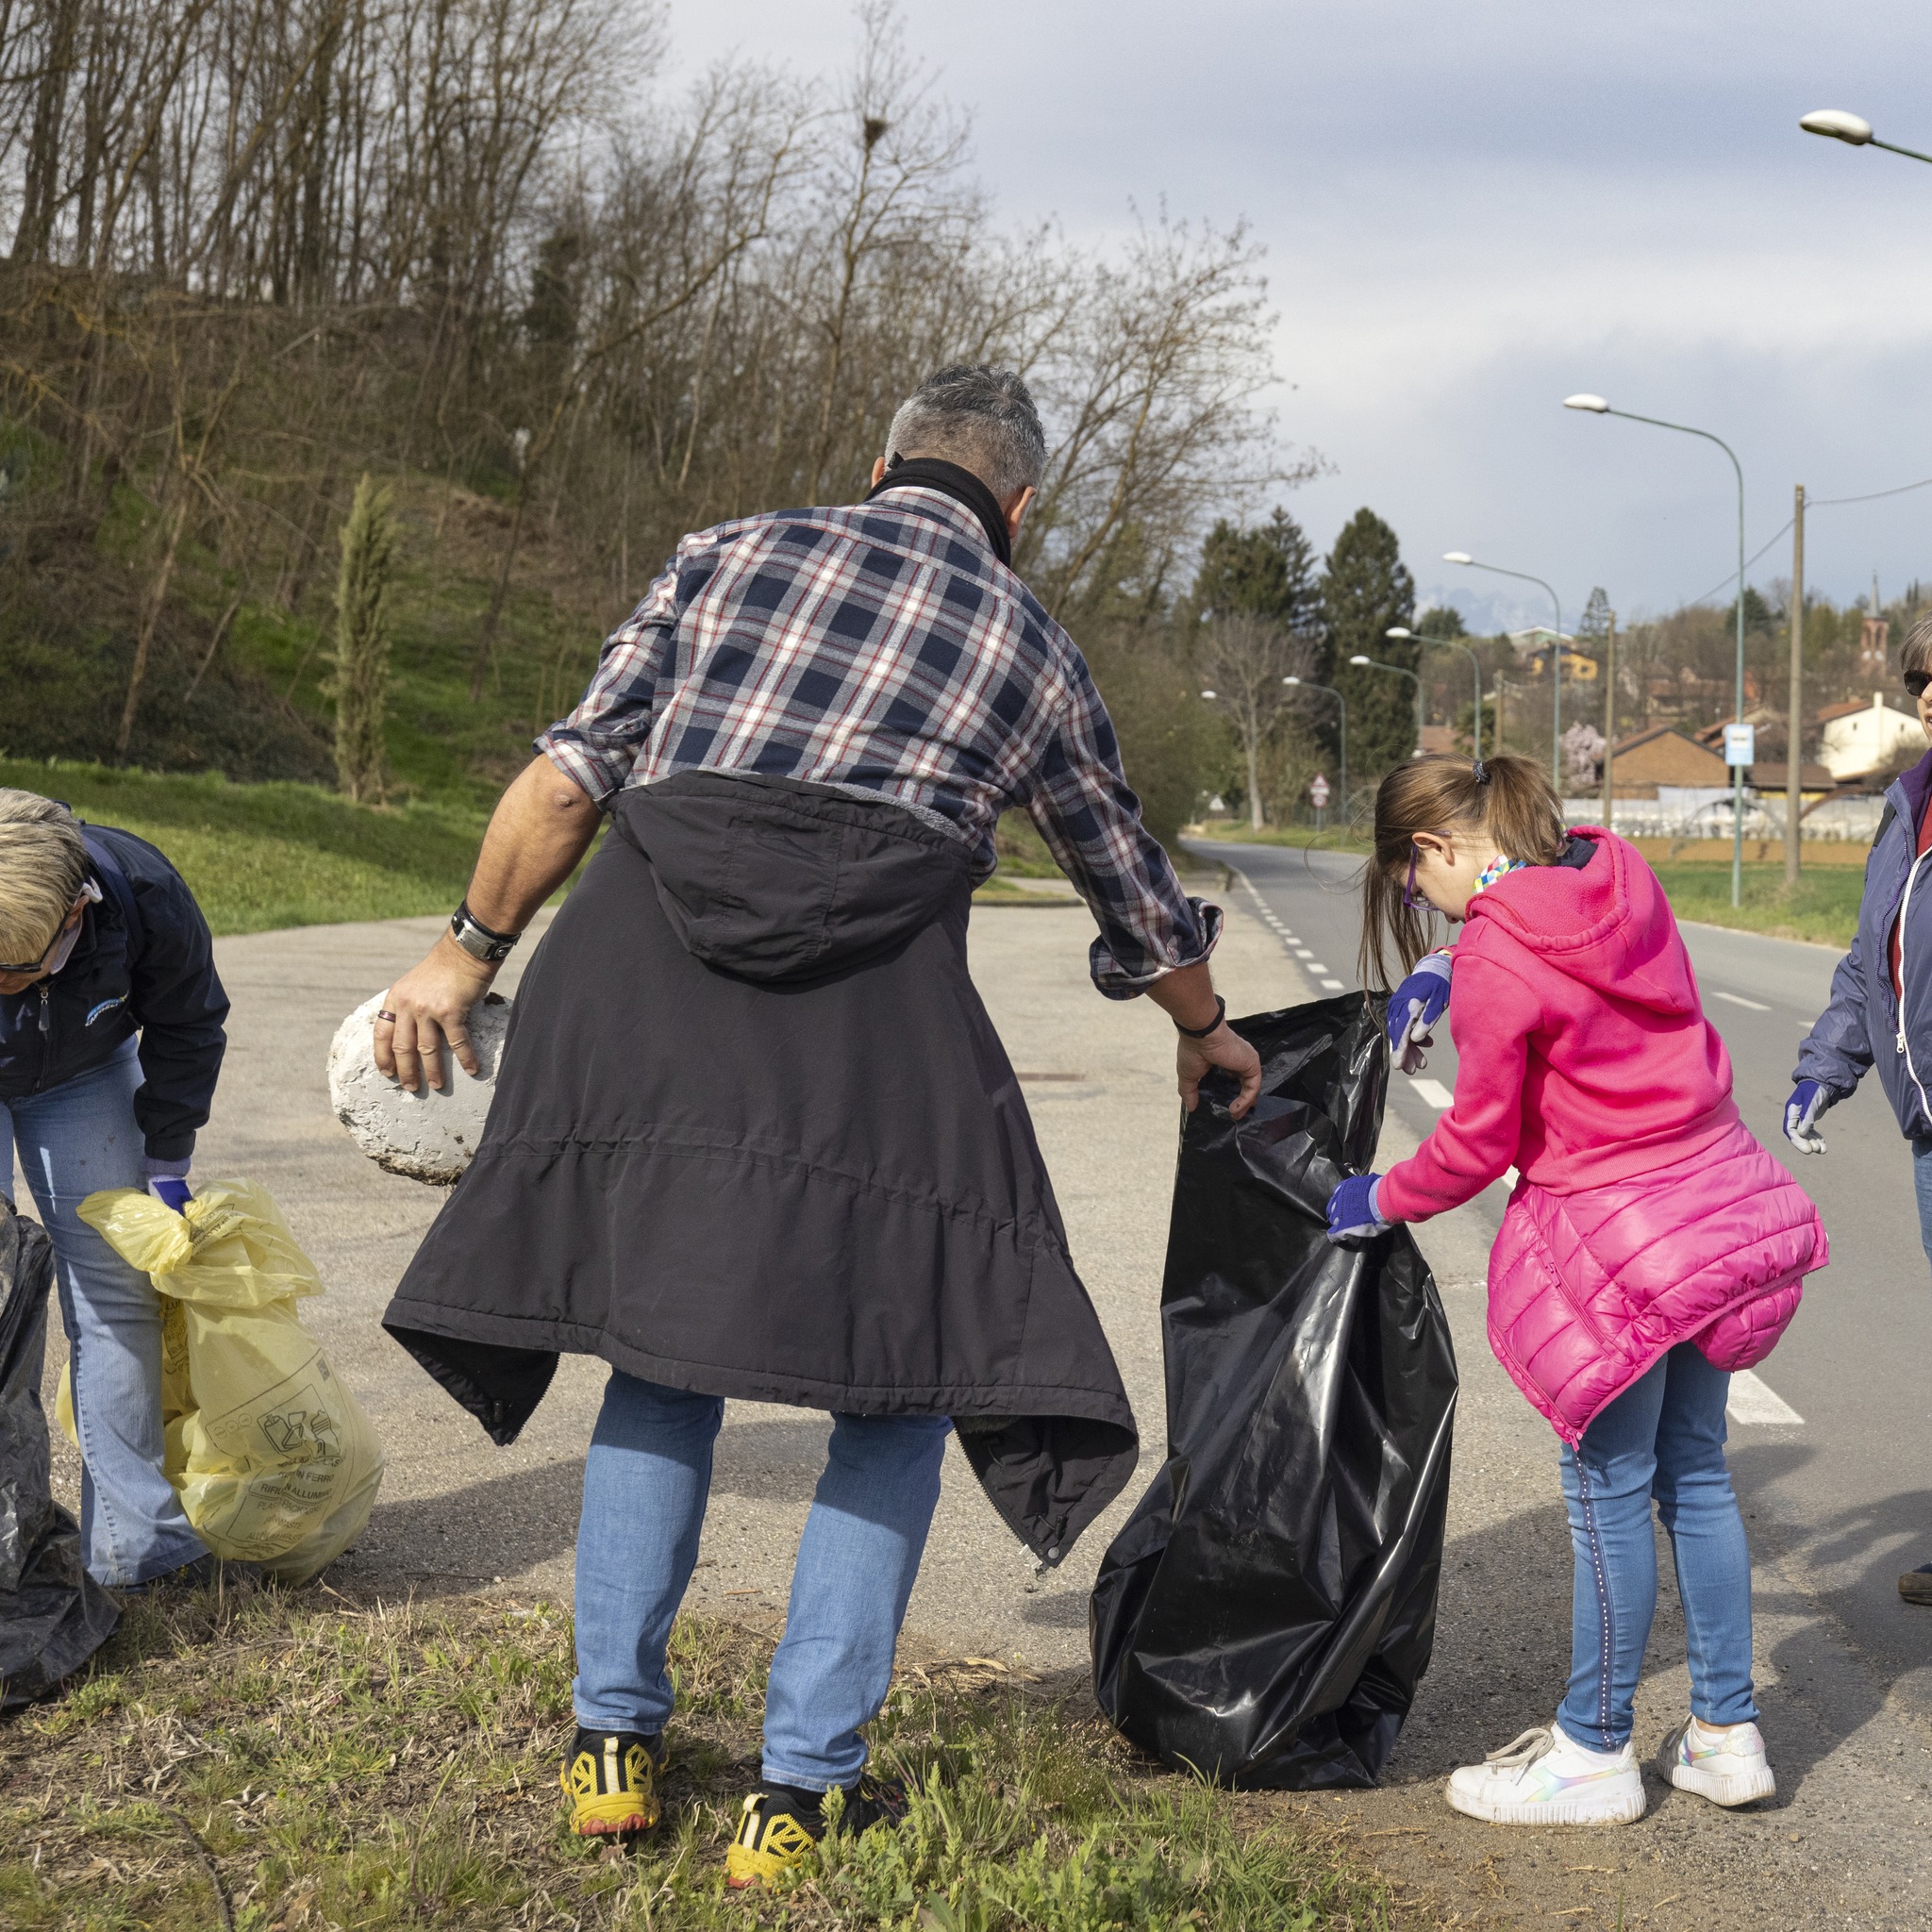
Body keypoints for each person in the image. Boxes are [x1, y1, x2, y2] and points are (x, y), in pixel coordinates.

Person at [372, 365, 1261, 1883]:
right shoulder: (1028, 638)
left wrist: (465, 948)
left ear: (882, 464)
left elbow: (571, 776)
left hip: (643, 993)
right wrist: (1203, 1027)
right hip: (872, 1024)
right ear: (1021, 510)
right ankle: (799, 1792)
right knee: (902, 1373)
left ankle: (611, 1748)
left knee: (657, 1356)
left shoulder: (724, 553)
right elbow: (1124, 874)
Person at [1325, 754, 1824, 1826]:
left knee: (1604, 1493)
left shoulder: (1500, 948)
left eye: (1417, 890)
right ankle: (1724, 1736)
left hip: (1617, 1242)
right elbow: (1558, 932)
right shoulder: (1618, 868)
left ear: (1434, 849)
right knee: (1693, 1472)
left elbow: (1475, 1141)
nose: (1426, 907)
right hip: (1716, 1202)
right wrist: (1449, 960)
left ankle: (1593, 1749)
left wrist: (1379, 1193)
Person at [0, 789, 228, 1588]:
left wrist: (167, 1157)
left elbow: (188, 1023)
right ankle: (9, 1558)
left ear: (76, 914)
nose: (7, 989)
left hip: (85, 1071)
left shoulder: (144, 892)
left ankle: (141, 1548)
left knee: (118, 1293)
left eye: (17, 973)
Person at [1788, 621, 1932, 1605]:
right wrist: (1823, 1064)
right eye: (1922, 676)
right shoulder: (1907, 805)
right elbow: (1866, 962)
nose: (1927, 694)